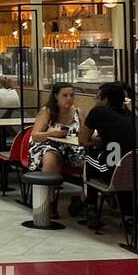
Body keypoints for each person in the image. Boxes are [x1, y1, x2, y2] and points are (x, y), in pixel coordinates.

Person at [75, 81, 138, 223]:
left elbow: (83, 140)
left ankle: (90, 206)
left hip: (114, 170)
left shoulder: (98, 112)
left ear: (105, 100)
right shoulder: (131, 115)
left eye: (97, 98)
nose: (96, 100)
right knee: (123, 168)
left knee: (88, 160)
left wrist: (102, 141)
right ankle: (128, 216)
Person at [28, 81, 83, 218]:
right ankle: (50, 199)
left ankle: (84, 199)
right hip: (47, 144)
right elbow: (35, 136)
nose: (69, 99)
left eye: (72, 95)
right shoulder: (47, 111)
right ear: (56, 96)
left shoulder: (78, 112)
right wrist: (51, 133)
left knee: (91, 157)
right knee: (52, 157)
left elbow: (86, 132)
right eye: (65, 95)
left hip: (72, 148)